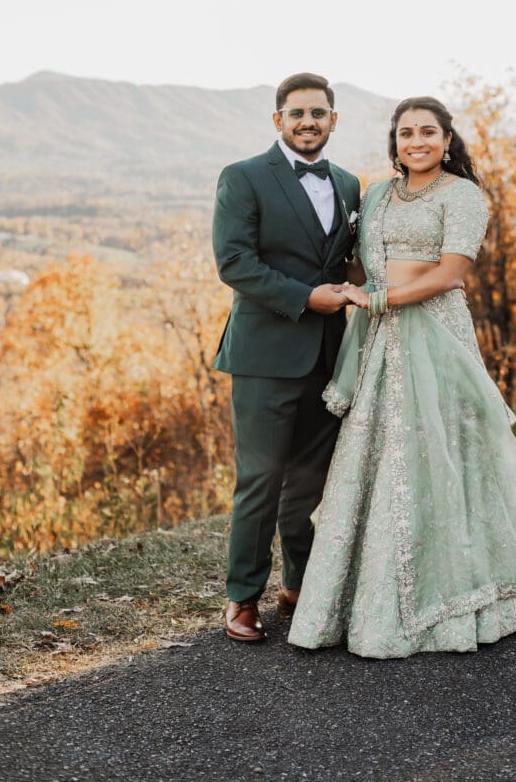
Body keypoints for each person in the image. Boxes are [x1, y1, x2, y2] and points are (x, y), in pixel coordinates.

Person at [288, 96, 516, 658]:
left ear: (447, 139)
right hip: (378, 341)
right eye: (405, 133)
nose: (416, 142)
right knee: (376, 457)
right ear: (395, 142)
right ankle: (362, 598)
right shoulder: (378, 193)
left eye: (427, 132)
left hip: (434, 336)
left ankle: (447, 596)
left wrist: (377, 300)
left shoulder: (464, 195)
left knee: (439, 451)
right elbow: (359, 265)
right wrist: (332, 287)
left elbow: (450, 275)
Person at [212, 72, 361, 642]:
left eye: (318, 113)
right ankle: (242, 597)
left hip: (329, 354)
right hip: (264, 354)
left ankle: (299, 584)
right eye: (296, 113)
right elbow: (234, 263)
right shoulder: (244, 177)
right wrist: (305, 298)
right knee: (261, 478)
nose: (307, 122)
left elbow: (346, 261)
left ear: (333, 120)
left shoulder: (349, 184)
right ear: (278, 120)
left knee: (311, 481)